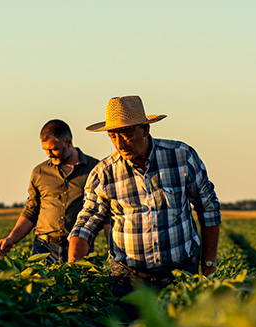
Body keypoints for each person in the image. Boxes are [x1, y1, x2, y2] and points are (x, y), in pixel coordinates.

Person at [67, 95, 221, 315]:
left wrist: (208, 264)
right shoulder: (104, 173)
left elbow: (209, 208)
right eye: (113, 136)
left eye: (127, 135)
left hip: (179, 276)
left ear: (145, 130)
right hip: (126, 280)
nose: (120, 144)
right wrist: (74, 267)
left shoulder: (181, 156)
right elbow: (86, 223)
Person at [0, 119, 103, 264]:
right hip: (43, 248)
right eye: (45, 150)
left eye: (54, 149)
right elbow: (31, 211)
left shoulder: (94, 169)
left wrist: (111, 250)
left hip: (80, 246)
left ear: (68, 142)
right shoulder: (40, 172)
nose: (49, 154)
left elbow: (105, 213)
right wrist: (11, 239)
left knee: (80, 285)